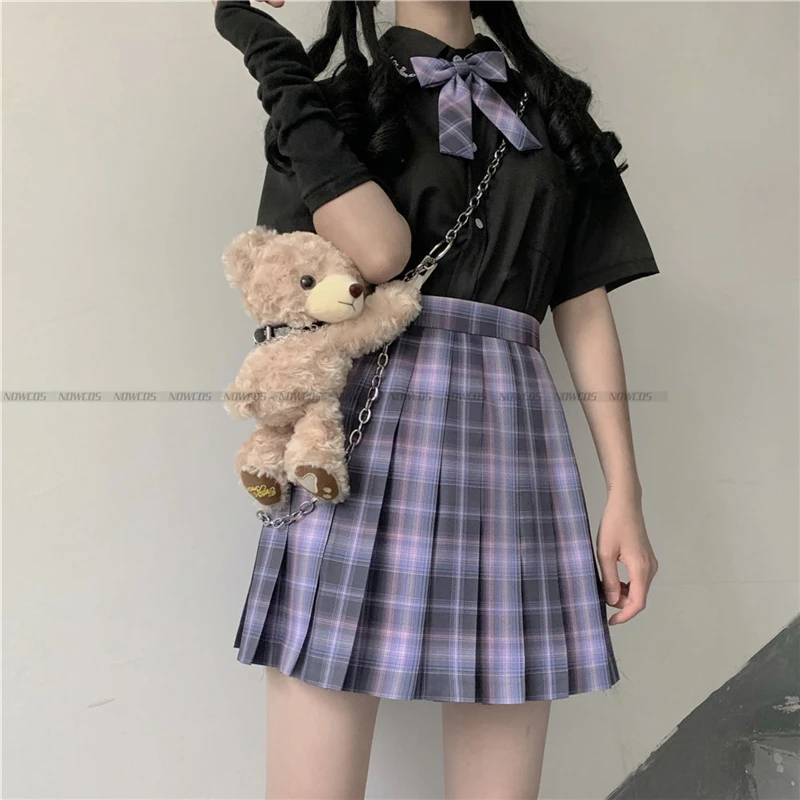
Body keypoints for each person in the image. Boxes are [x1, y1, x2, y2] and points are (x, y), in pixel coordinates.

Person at [214, 1, 661, 798]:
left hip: (511, 442)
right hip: (359, 435)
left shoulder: (552, 112)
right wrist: (255, 35)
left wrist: (624, 491)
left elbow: (584, 306)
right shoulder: (334, 105)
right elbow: (308, 286)